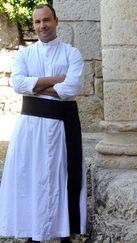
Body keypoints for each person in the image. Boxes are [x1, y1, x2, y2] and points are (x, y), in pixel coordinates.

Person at [0, 4, 86, 243]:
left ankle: (64, 232)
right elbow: (18, 84)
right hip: (30, 128)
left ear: (56, 21)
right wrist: (54, 81)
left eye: (46, 20)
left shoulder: (72, 54)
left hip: (61, 128)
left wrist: (36, 86)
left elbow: (71, 88)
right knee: (31, 177)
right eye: (37, 22)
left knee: (60, 177)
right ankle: (31, 232)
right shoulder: (25, 55)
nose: (42, 26)